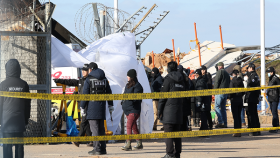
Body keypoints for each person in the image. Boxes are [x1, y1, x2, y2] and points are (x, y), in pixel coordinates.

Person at [80, 62, 114, 155]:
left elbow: (85, 95)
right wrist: (110, 105)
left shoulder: (89, 79)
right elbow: (109, 92)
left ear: (90, 69)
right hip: (102, 107)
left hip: (92, 108)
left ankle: (97, 149)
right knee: (101, 128)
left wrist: (82, 107)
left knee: (94, 129)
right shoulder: (104, 79)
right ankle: (103, 148)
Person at [0, 59, 31, 158]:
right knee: (19, 148)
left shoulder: (2, 85)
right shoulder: (24, 85)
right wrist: (25, 120)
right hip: (19, 122)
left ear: (7, 69)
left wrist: (1, 121)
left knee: (7, 148)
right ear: (19, 69)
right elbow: (27, 105)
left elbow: (0, 105)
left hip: (7, 122)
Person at [158, 61, 185, 158]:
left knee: (168, 133)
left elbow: (163, 97)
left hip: (169, 111)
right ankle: (177, 154)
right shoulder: (183, 79)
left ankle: (170, 154)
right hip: (179, 111)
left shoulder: (168, 79)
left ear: (169, 69)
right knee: (177, 133)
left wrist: (159, 111)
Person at [121, 69, 144, 151]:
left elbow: (136, 98)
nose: (127, 77)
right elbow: (124, 95)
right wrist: (123, 102)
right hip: (127, 109)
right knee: (134, 127)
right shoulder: (128, 85)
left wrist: (128, 99)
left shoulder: (138, 86)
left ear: (131, 77)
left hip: (134, 109)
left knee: (128, 125)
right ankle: (139, 143)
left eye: (128, 76)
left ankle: (128, 143)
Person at [73, 64, 92, 147]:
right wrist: (59, 80)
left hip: (87, 105)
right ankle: (92, 140)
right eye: (82, 71)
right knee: (86, 123)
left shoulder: (89, 80)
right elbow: (71, 81)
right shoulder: (81, 80)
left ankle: (78, 140)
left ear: (88, 71)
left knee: (83, 122)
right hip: (82, 104)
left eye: (85, 71)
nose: (83, 72)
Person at [244, 63, 261, 136]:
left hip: (252, 97)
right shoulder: (254, 75)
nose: (247, 69)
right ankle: (256, 129)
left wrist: (247, 81)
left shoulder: (253, 75)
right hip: (253, 97)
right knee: (254, 113)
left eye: (248, 68)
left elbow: (252, 85)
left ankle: (253, 130)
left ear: (251, 68)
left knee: (251, 114)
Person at [228, 70, 245, 137]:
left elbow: (230, 91)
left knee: (235, 117)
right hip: (240, 100)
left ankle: (236, 132)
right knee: (239, 116)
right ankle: (239, 131)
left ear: (233, 74)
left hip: (234, 100)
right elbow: (243, 91)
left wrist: (230, 97)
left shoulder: (232, 81)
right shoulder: (241, 81)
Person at [214, 62, 230, 128]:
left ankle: (220, 122)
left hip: (219, 92)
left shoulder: (219, 72)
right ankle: (225, 123)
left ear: (219, 66)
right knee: (223, 108)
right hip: (225, 92)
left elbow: (217, 82)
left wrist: (214, 91)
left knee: (216, 107)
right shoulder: (227, 73)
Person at [177, 65, 192, 131]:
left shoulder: (178, 77)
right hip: (186, 99)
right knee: (185, 116)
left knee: (181, 115)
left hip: (181, 99)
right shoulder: (186, 77)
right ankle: (185, 127)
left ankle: (183, 128)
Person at [266, 67, 280, 133]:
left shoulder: (276, 79)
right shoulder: (271, 78)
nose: (268, 74)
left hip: (275, 97)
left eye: (269, 72)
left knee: (274, 112)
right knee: (273, 112)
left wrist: (278, 96)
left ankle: (275, 126)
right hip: (271, 97)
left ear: (272, 72)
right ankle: (276, 125)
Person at [201, 65, 213, 129]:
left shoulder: (207, 76)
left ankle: (210, 125)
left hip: (207, 96)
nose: (203, 71)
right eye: (202, 70)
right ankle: (206, 124)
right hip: (205, 96)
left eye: (204, 70)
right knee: (205, 111)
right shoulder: (203, 76)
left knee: (207, 111)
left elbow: (209, 85)